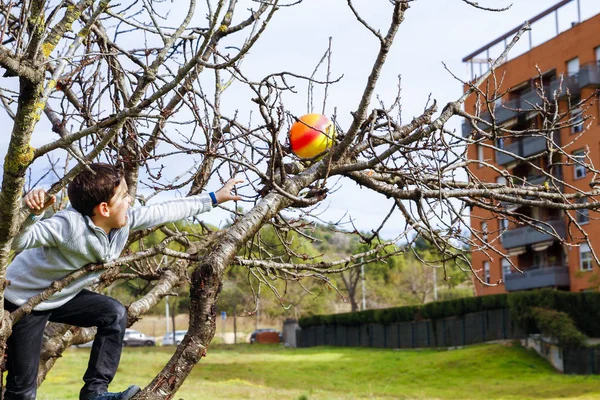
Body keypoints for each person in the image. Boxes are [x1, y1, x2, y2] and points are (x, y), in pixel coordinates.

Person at [5, 163, 243, 400]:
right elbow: (18, 242)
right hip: (24, 300)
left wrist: (214, 198)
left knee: (114, 313)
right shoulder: (67, 226)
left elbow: (166, 210)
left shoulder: (124, 222)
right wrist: (32, 213)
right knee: (23, 392)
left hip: (61, 295)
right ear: (104, 209)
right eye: (125, 196)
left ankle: (95, 392)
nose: (131, 200)